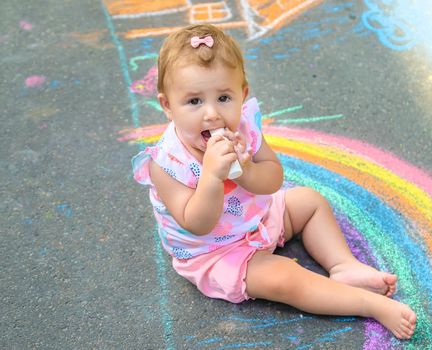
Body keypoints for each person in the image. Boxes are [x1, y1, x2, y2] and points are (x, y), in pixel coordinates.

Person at [132, 24, 416, 340]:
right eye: (194, 102)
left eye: (223, 97)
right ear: (168, 106)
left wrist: (248, 169)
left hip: (259, 217)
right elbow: (196, 222)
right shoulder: (167, 162)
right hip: (215, 251)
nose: (212, 114)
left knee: (309, 201)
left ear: (243, 94)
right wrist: (212, 176)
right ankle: (369, 304)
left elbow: (272, 178)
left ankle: (344, 265)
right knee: (285, 278)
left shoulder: (243, 127)